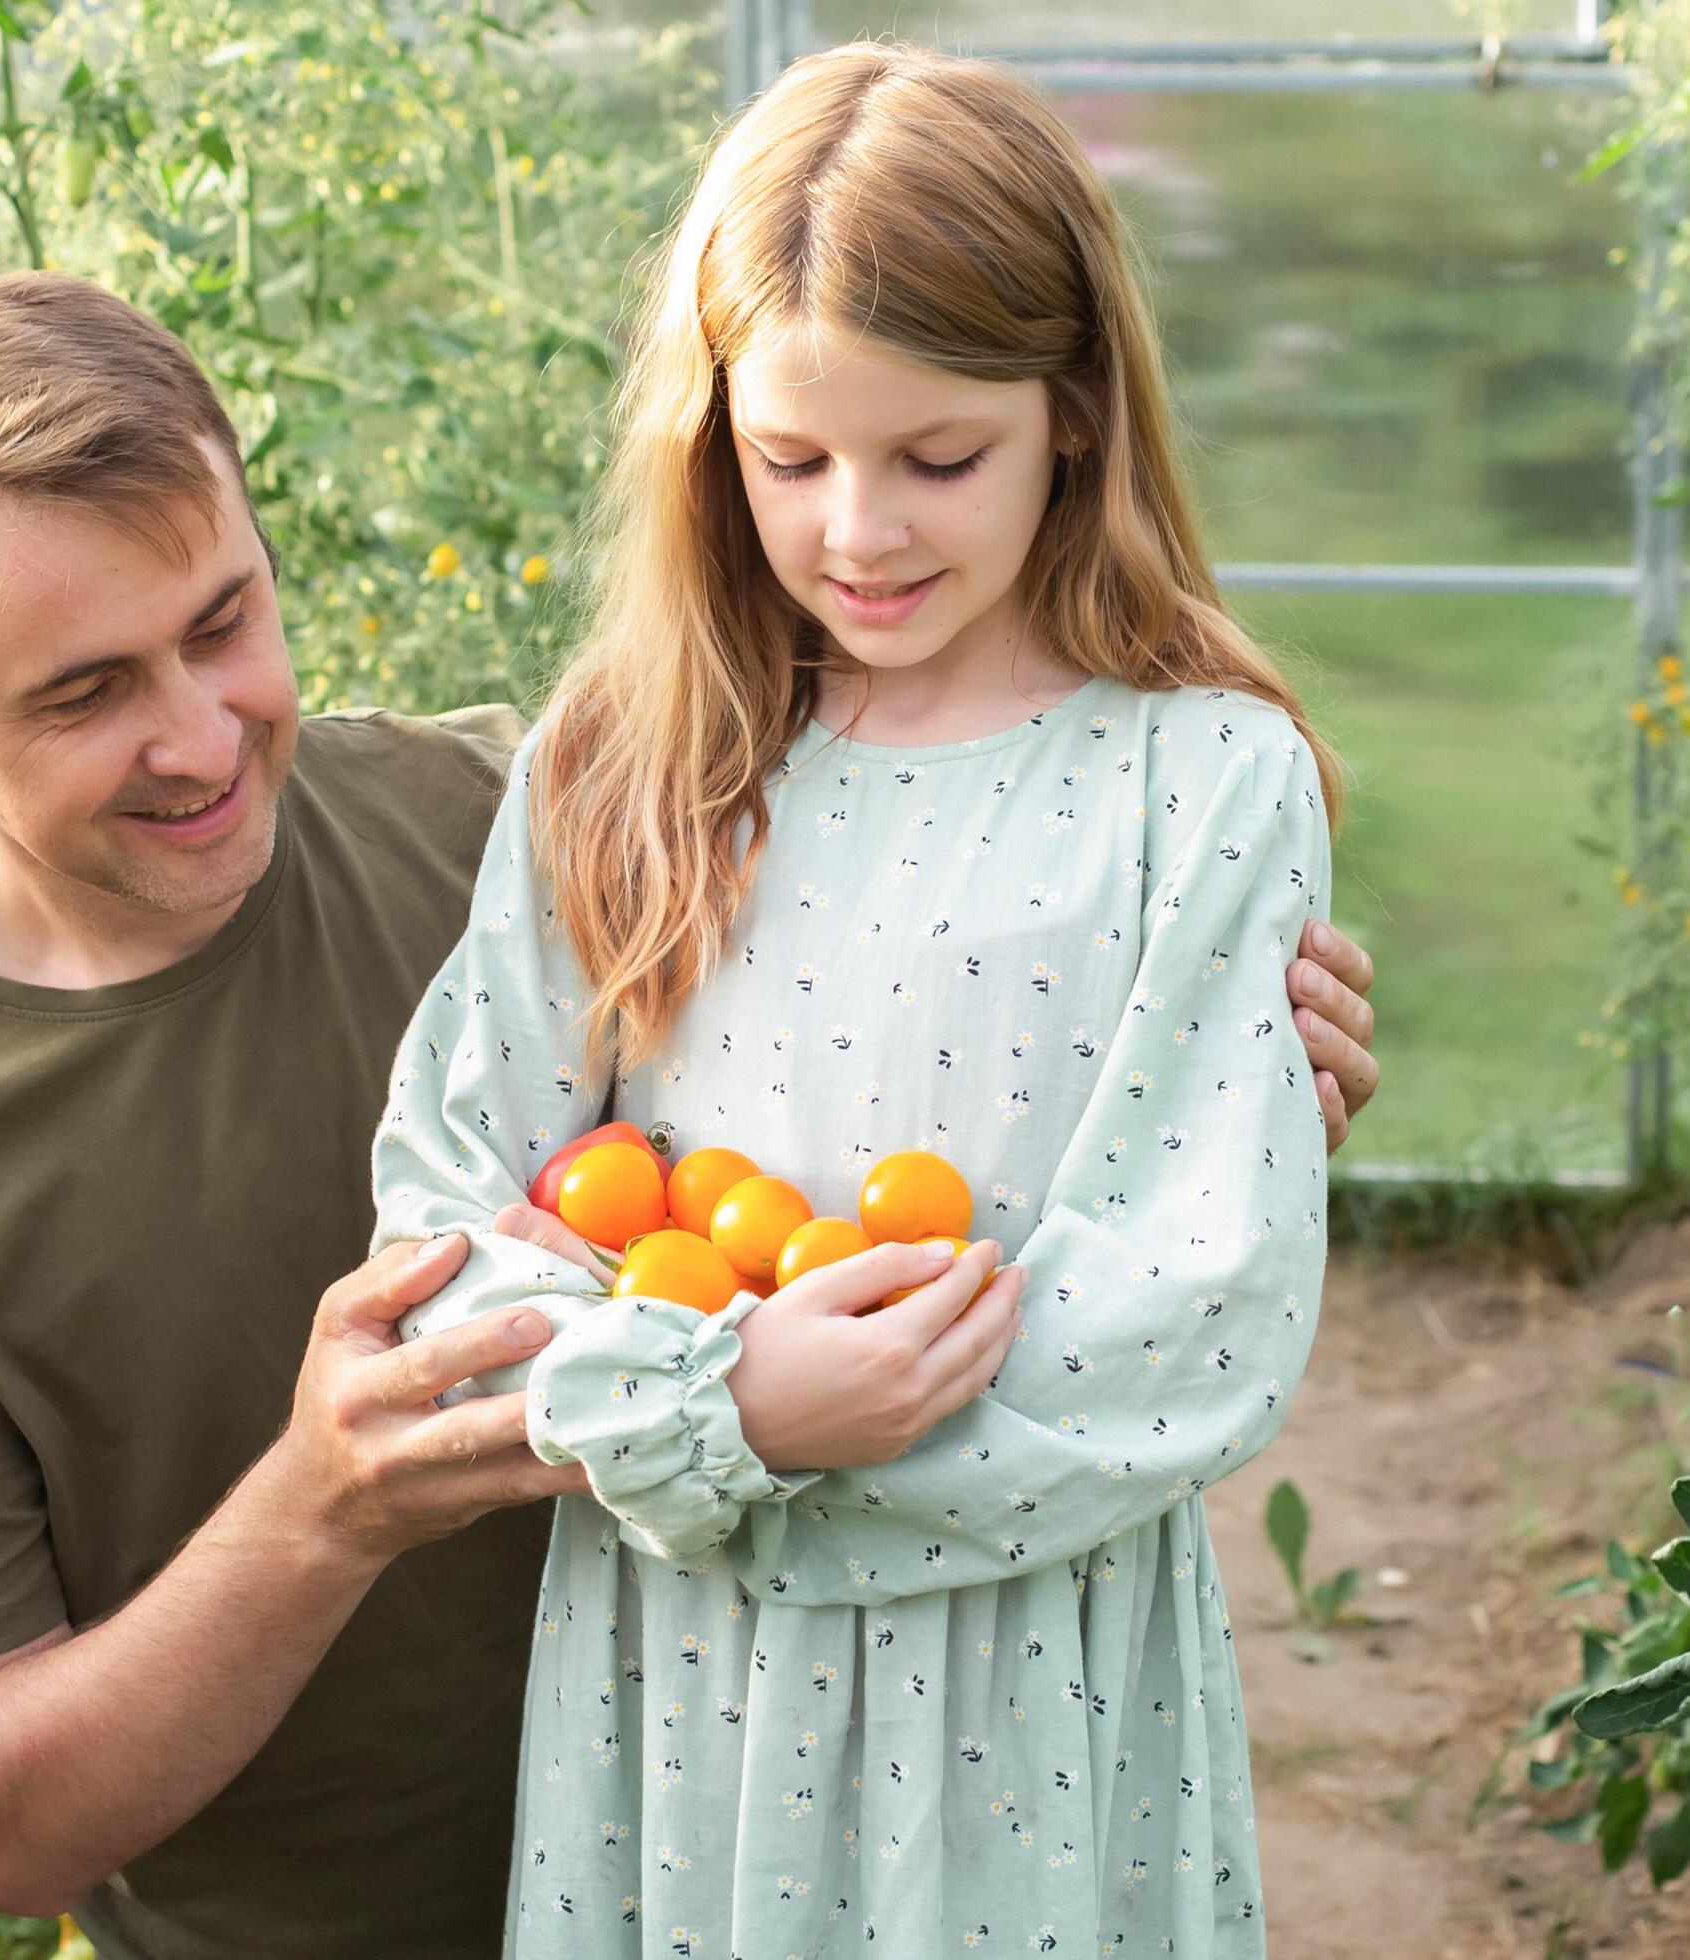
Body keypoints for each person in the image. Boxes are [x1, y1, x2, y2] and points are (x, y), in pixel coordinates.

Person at [0, 272, 1381, 1956]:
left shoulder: (520, 813)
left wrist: (1210, 1083)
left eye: (224, 620)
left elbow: (952, 1002)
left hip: (814, 1853)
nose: (202, 736)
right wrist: (328, 1499)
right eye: (84, 695)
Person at [372, 43, 1339, 1956]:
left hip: (1031, 1678)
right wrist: (722, 1404)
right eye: (788, 461)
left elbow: (1196, 1301)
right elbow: (448, 1209)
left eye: (936, 458)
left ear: (1073, 412)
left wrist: (778, 1445)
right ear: (707, 434)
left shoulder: (1203, 779)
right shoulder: (627, 761)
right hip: (683, 1676)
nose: (858, 535)